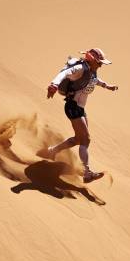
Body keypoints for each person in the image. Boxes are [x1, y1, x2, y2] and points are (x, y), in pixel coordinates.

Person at [40, 47, 118, 183]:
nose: (101, 65)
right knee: (86, 139)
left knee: (78, 139)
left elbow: (95, 80)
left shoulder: (92, 72)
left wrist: (107, 86)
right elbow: (64, 73)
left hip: (80, 109)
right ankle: (86, 172)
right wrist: (54, 84)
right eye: (99, 62)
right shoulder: (80, 68)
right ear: (93, 60)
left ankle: (52, 151)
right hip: (72, 106)